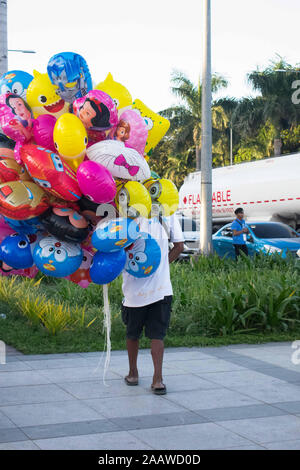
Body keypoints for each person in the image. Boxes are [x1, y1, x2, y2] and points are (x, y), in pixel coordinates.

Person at [121, 213, 184, 395]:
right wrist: (161, 263)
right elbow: (179, 246)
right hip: (161, 287)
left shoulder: (125, 215)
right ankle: (158, 379)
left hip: (134, 289)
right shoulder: (168, 213)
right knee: (157, 334)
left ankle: (133, 373)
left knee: (133, 333)